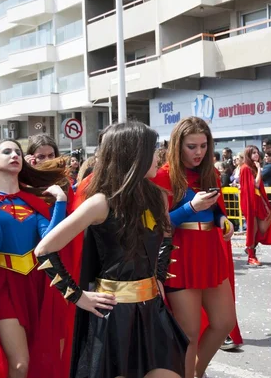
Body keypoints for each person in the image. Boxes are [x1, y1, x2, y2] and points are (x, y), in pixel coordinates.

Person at [35, 121, 188, 378]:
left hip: (152, 310)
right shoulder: (100, 203)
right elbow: (44, 249)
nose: (157, 156)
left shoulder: (158, 196)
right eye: (152, 149)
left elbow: (165, 239)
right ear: (133, 154)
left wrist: (159, 277)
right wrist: (77, 296)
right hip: (113, 315)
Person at [0, 139, 69, 378]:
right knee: (19, 364)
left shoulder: (32, 200)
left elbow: (49, 240)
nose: (14, 155)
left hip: (35, 284)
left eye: (17, 151)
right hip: (2, 287)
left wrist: (60, 202)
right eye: (6, 151)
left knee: (39, 354)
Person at [152, 117, 237, 378]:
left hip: (209, 252)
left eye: (203, 145)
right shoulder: (163, 175)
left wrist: (223, 220)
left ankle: (196, 373)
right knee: (187, 333)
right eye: (192, 146)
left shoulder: (208, 172)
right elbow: (157, 224)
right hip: (180, 255)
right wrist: (191, 208)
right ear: (178, 146)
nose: (199, 152)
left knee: (224, 323)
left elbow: (215, 209)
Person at [240, 145, 271, 266]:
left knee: (263, 227)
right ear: (248, 154)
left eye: (257, 152)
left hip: (257, 200)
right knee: (253, 228)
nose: (256, 155)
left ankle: (250, 247)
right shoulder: (246, 168)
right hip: (250, 201)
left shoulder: (251, 167)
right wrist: (259, 169)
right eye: (253, 153)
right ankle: (251, 255)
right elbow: (256, 184)